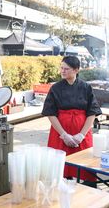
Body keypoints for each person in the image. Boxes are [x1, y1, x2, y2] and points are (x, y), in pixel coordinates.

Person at [42, 56, 101, 186]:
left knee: (86, 165)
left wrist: (82, 135)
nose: (62, 71)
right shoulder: (55, 88)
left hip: (82, 132)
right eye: (61, 68)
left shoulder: (86, 87)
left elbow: (92, 112)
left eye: (66, 69)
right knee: (60, 167)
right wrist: (63, 134)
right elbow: (50, 113)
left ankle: (89, 195)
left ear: (76, 70)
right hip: (60, 133)